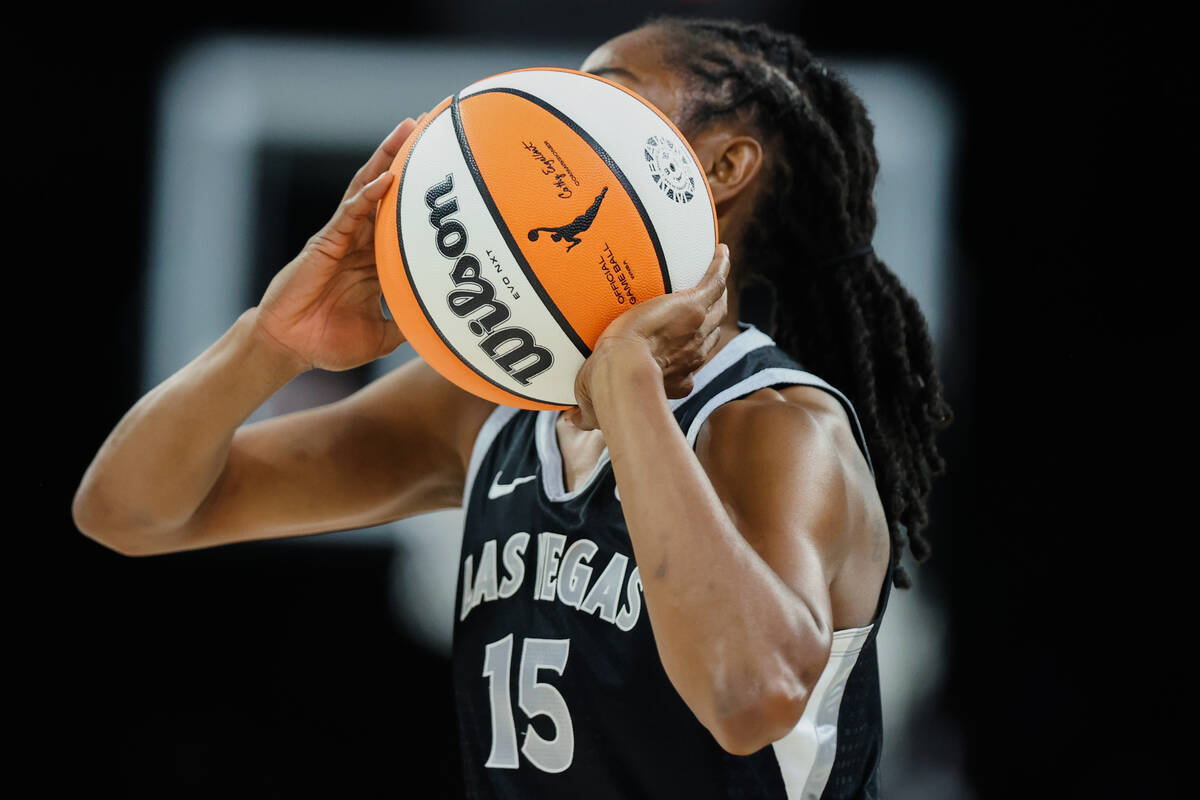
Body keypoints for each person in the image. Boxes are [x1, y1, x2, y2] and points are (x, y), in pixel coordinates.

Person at [73, 15, 951, 799]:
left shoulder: (780, 428)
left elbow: (747, 697)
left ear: (723, 166)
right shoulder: (479, 408)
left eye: (606, 96)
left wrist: (630, 390)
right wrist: (270, 341)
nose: (561, 119)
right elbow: (130, 511)